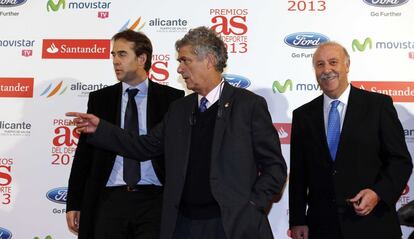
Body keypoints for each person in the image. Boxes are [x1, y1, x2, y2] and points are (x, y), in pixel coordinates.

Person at [67, 26, 287, 239]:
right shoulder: (179, 108)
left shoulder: (248, 105)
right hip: (184, 226)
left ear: (209, 60)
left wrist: (251, 205)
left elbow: (275, 167)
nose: (179, 69)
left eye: (185, 60)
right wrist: (101, 129)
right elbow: (144, 147)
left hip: (230, 224)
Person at [65, 29, 184, 239]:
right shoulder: (100, 99)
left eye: (122, 54)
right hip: (109, 200)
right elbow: (84, 154)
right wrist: (74, 202)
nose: (115, 61)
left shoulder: (172, 99)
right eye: (113, 55)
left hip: (155, 200)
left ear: (142, 58)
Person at [288, 41, 412, 239]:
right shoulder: (303, 115)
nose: (327, 70)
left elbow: (400, 161)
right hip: (322, 227)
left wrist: (377, 193)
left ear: (347, 65)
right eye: (320, 64)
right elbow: (299, 174)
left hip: (373, 225)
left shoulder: (378, 106)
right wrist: (297, 220)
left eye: (333, 62)